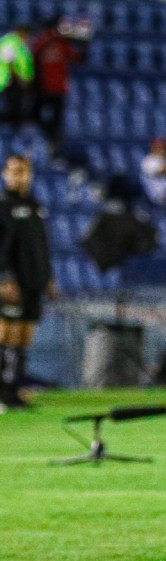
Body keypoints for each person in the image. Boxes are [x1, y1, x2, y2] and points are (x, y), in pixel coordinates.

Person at [0, 155, 54, 411]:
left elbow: (41, 246)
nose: (18, 176)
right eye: (13, 171)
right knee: (6, 332)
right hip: (13, 282)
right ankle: (2, 390)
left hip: (34, 281)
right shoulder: (3, 206)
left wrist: (48, 277)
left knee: (24, 335)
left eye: (23, 171)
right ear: (5, 174)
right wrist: (4, 278)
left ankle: (13, 389)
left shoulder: (35, 206)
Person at [31, 17, 85, 145]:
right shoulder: (60, 42)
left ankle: (49, 138)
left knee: (37, 115)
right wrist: (84, 46)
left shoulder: (42, 41)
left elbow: (31, 58)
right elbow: (77, 58)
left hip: (44, 86)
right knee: (56, 118)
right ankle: (52, 140)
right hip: (58, 87)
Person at [0, 26, 34, 125]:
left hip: (15, 79)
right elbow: (9, 62)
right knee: (12, 105)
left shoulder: (18, 43)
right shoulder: (10, 42)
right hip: (10, 80)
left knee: (16, 104)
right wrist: (19, 79)